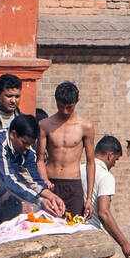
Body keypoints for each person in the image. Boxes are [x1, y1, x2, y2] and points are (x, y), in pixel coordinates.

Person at [0, 114, 66, 224]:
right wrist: (39, 200)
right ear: (13, 135)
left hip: (3, 195)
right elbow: (9, 180)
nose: (27, 147)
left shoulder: (28, 151)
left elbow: (33, 179)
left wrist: (52, 197)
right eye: (24, 143)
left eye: (30, 144)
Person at [38, 81, 95, 219]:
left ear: (77, 102)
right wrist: (44, 182)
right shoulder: (45, 124)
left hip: (73, 184)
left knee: (74, 228)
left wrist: (89, 199)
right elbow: (39, 159)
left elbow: (90, 162)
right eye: (61, 106)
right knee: (48, 227)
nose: (64, 111)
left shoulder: (85, 126)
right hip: (51, 183)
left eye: (69, 107)